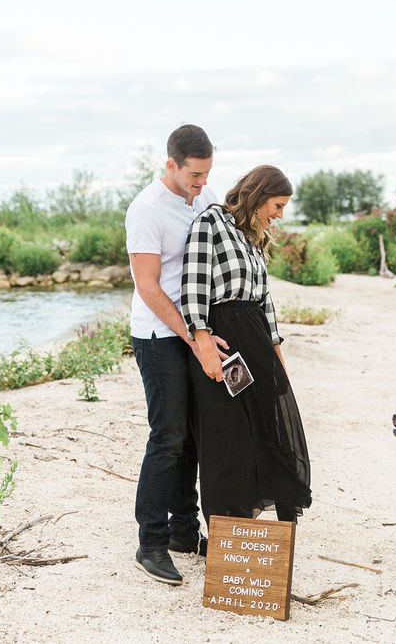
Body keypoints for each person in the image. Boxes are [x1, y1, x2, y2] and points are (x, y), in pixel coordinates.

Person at [181, 165, 312, 525]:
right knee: (227, 436)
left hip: (255, 340)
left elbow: (265, 303)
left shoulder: (254, 239)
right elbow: (193, 286)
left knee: (267, 430)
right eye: (278, 205)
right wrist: (202, 339)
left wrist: (278, 362)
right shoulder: (212, 223)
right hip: (223, 341)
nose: (280, 215)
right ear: (258, 194)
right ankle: (228, 528)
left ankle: (265, 528)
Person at [126, 124, 227, 586]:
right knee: (167, 437)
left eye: (206, 174)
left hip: (193, 331)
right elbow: (147, 286)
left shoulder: (206, 198)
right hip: (157, 335)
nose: (201, 183)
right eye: (193, 175)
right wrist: (192, 336)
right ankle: (151, 542)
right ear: (171, 164)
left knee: (193, 436)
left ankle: (185, 533)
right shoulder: (146, 209)